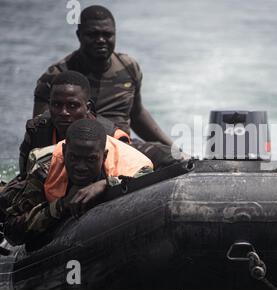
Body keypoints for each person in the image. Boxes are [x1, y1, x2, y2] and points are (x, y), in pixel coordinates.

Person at [33, 5, 174, 154]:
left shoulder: (129, 67)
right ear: (79, 35)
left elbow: (137, 114)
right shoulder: (57, 77)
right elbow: (40, 128)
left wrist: (173, 148)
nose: (100, 40)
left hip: (125, 149)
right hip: (79, 155)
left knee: (175, 159)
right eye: (92, 34)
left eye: (107, 34)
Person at [3, 119, 153, 246]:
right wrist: (62, 205)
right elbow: (12, 232)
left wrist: (107, 184)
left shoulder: (133, 165)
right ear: (65, 150)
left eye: (90, 160)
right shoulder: (45, 167)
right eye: (74, 158)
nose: (81, 167)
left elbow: (152, 192)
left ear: (104, 155)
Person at [20, 70, 129, 178]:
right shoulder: (37, 130)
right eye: (56, 104)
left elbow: (131, 179)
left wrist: (104, 185)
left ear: (88, 107)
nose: (64, 112)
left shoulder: (113, 138)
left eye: (73, 106)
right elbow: (23, 177)